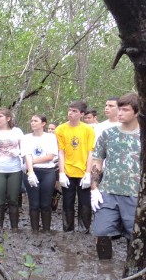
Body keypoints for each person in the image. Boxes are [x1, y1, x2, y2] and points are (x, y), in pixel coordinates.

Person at [90, 93, 140, 260]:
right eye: (119, 109)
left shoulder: (143, 135)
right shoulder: (107, 134)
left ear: (136, 112)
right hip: (108, 191)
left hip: (135, 194)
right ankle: (104, 270)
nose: (120, 113)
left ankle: (131, 273)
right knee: (101, 232)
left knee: (133, 236)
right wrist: (94, 188)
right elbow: (97, 161)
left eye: (125, 110)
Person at [55, 100, 95, 232]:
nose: (70, 113)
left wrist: (88, 173)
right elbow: (61, 152)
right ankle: (68, 229)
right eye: (69, 110)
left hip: (83, 171)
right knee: (67, 202)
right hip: (67, 171)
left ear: (82, 114)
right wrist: (61, 173)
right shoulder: (60, 129)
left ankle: (85, 229)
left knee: (85, 203)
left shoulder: (88, 130)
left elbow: (91, 153)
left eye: (74, 111)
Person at [0, 108, 24, 230]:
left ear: (8, 118)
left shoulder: (17, 131)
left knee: (13, 199)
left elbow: (25, 149)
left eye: (0, 116)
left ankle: (14, 228)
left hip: (15, 169)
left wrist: (18, 152)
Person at [21, 115, 59, 232]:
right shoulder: (26, 138)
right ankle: (35, 230)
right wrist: (30, 171)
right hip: (32, 172)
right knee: (34, 203)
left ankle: (46, 230)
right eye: (31, 120)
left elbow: (50, 156)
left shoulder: (50, 137)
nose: (32, 123)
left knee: (45, 203)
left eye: (36, 121)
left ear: (43, 123)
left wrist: (32, 161)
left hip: (47, 172)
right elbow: (26, 154)